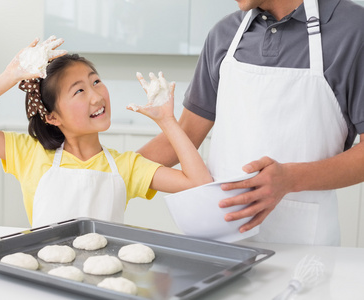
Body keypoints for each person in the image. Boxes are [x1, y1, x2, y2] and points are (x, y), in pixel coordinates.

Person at [138, 0, 364, 245]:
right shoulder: (225, 34)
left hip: (304, 251)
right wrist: (108, 168)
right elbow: (185, 135)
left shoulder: (352, 29)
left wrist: (291, 178)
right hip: (222, 241)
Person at [0, 37, 213, 228]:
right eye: (79, 90)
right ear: (52, 116)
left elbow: (200, 186)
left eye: (96, 81)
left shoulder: (126, 166)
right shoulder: (29, 153)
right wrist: (9, 77)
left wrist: (168, 121)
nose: (97, 96)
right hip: (45, 276)